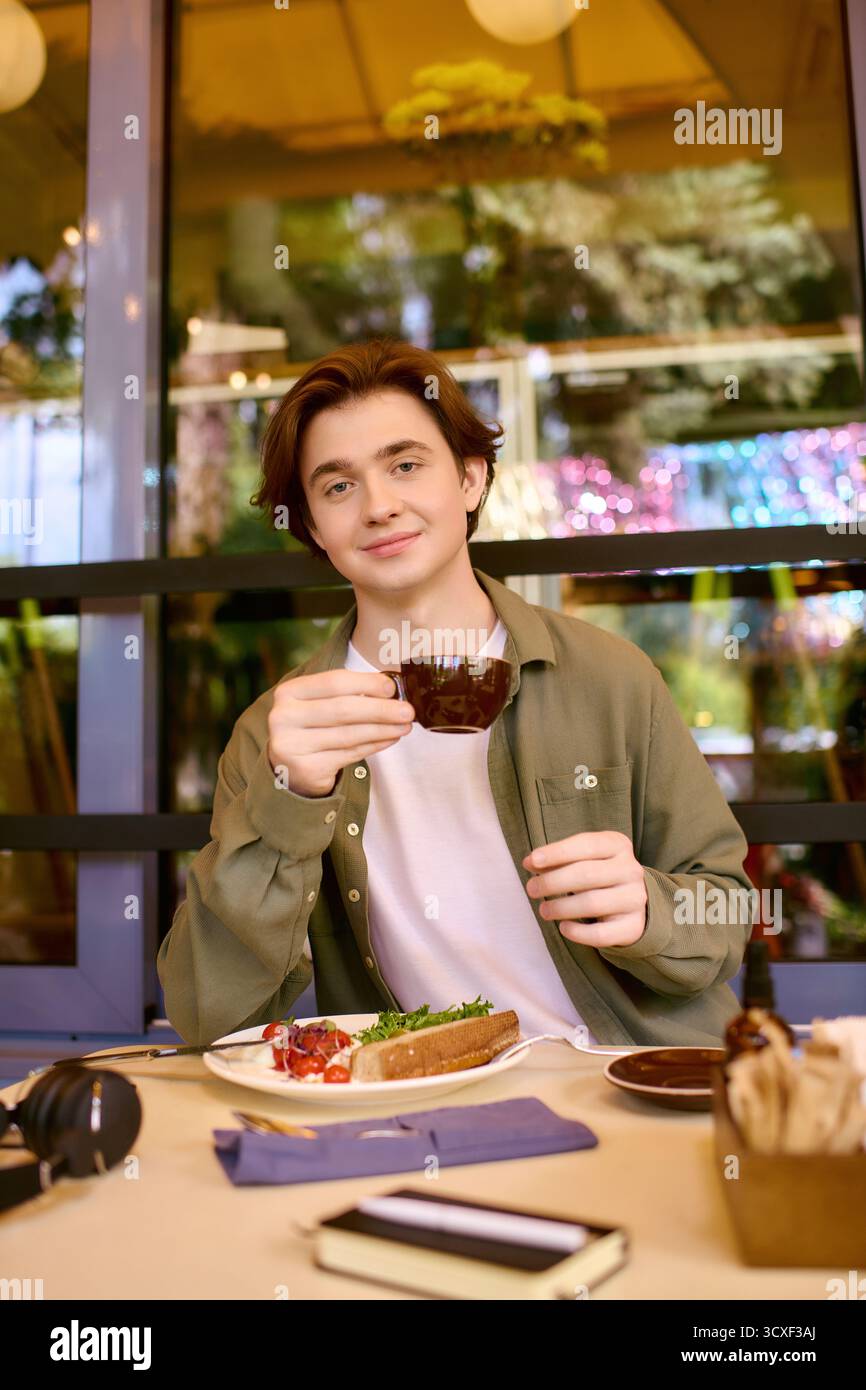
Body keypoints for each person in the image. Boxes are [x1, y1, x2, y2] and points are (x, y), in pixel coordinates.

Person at [157, 337, 754, 1047]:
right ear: (314, 525)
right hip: (421, 1108)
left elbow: (726, 916)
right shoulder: (276, 734)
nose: (378, 506)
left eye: (405, 465)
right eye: (338, 486)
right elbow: (207, 1016)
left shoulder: (611, 677)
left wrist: (648, 910)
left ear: (471, 479)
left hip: (623, 1085)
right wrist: (292, 797)